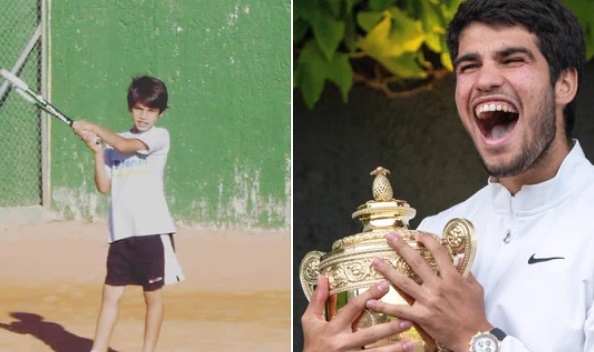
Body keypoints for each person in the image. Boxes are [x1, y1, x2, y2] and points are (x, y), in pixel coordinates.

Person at [301, 0, 592, 351]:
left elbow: (468, 336)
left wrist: (475, 338)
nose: (485, 80)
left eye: (512, 60)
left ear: (564, 84)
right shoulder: (432, 234)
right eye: (469, 66)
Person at [73, 75, 185, 352]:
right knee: (110, 295)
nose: (144, 116)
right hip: (120, 233)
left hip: (151, 232)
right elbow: (103, 186)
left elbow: (124, 146)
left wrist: (92, 126)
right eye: (139, 108)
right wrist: (97, 153)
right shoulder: (114, 143)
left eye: (151, 110)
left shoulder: (160, 136)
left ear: (159, 112)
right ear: (130, 107)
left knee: (153, 298)